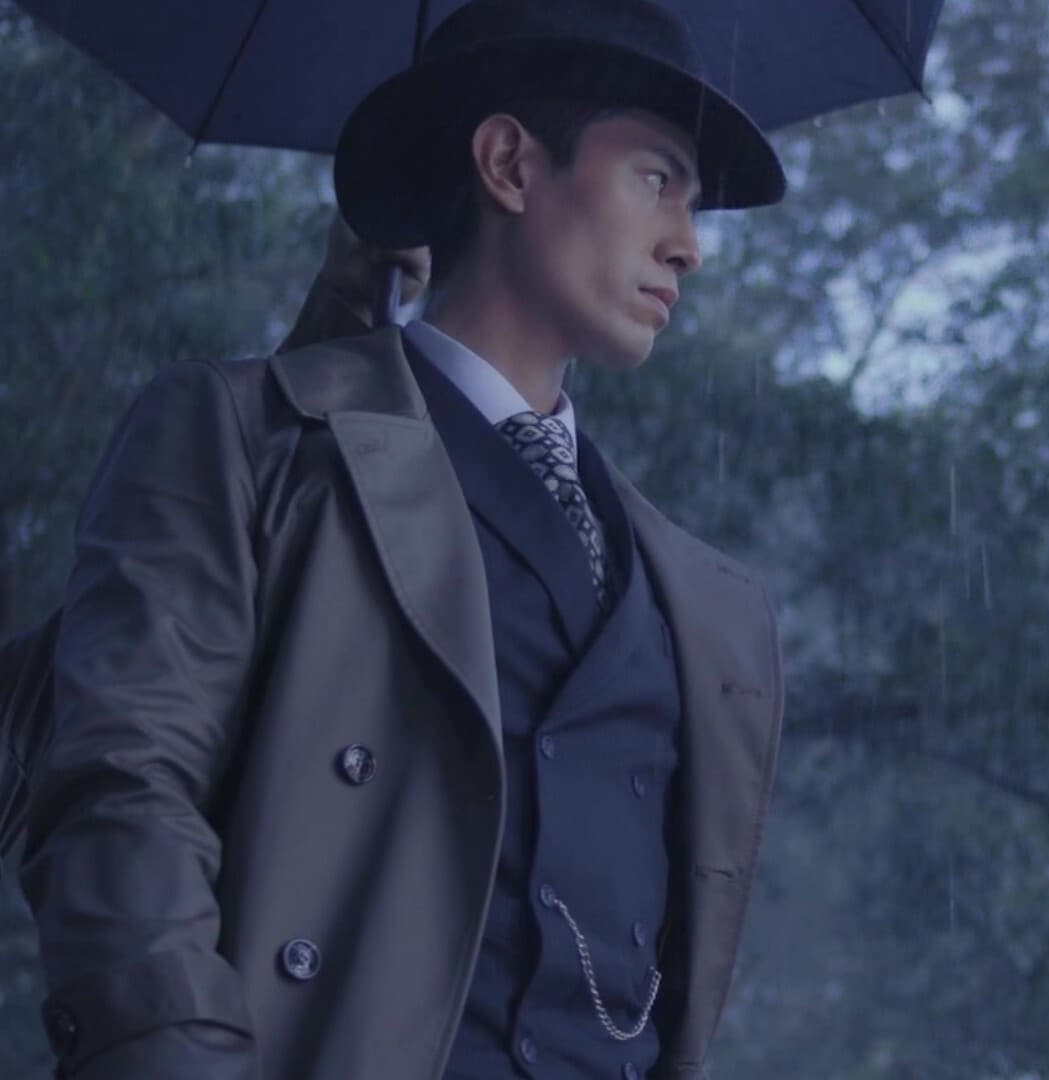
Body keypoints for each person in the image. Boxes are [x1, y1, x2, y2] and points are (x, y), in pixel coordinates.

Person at [20, 1, 788, 1076]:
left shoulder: (705, 604)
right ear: (509, 164)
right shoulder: (246, 443)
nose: (689, 247)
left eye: (694, 205)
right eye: (657, 179)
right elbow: (121, 797)